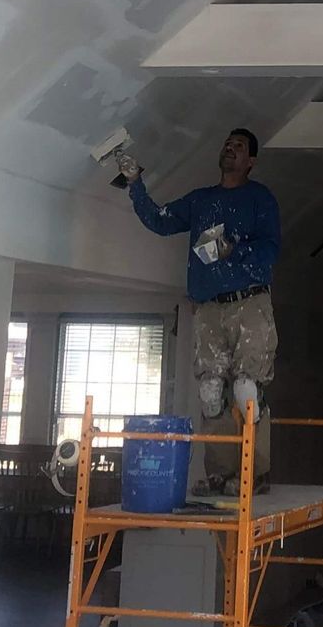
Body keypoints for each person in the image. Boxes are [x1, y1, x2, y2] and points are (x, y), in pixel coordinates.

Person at [118, 127, 280, 492]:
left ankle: (255, 472)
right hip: (208, 308)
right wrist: (134, 182)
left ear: (250, 161)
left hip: (250, 302)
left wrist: (233, 250)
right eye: (227, 144)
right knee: (210, 391)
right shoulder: (201, 200)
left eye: (238, 147)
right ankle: (221, 472)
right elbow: (160, 220)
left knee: (246, 388)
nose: (230, 149)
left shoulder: (260, 199)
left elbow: (271, 250)